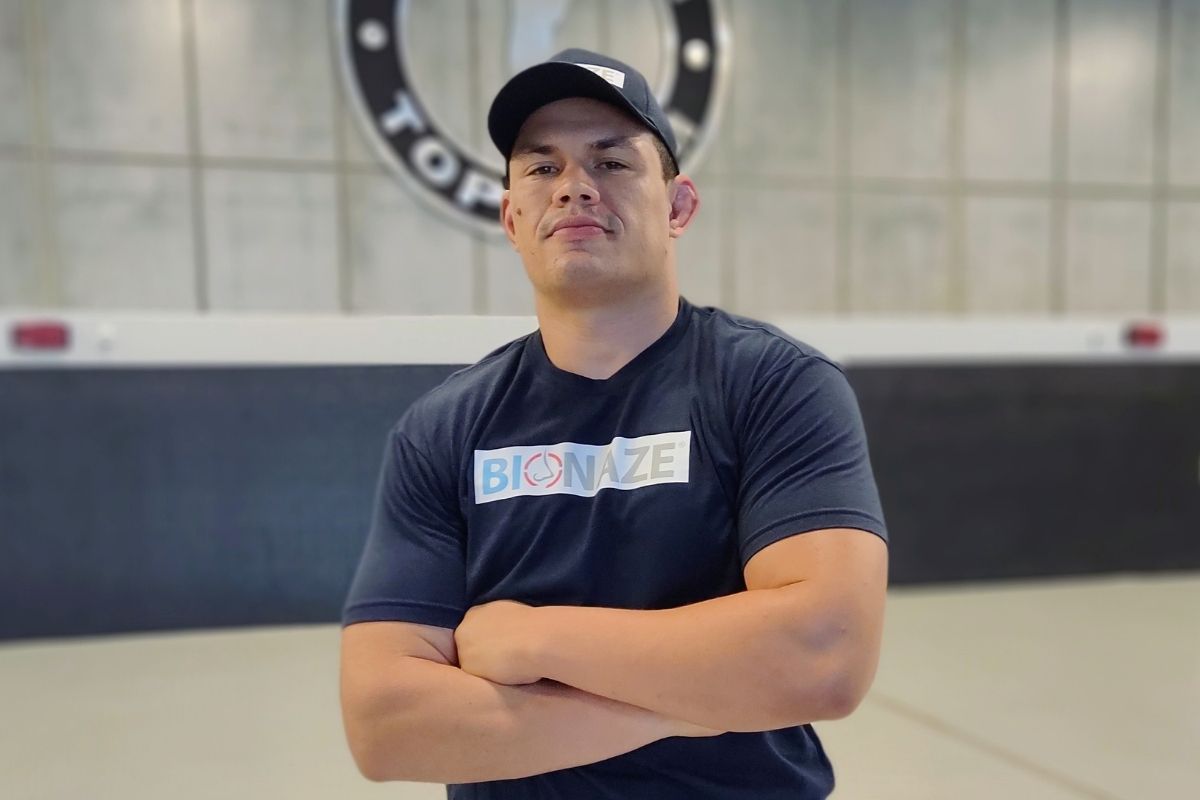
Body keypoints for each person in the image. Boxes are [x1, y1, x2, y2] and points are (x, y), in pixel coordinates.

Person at [339, 48, 889, 799]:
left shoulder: (774, 387)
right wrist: (689, 705)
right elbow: (386, 725)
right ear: (511, 216)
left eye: (612, 163)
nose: (575, 189)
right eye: (542, 169)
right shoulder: (444, 430)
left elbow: (822, 656)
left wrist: (535, 639)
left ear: (678, 206)